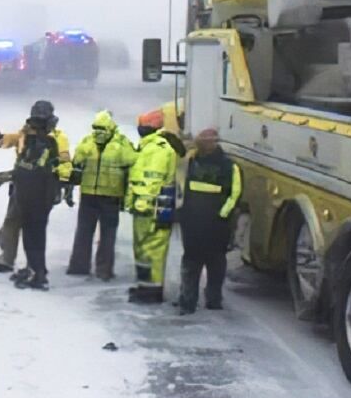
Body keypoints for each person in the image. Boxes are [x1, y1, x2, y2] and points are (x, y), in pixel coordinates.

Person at [0, 100, 73, 290]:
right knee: (12, 222)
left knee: (34, 231)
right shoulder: (26, 132)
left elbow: (63, 163)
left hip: (40, 189)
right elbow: (6, 141)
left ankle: (35, 270)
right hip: (22, 185)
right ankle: (8, 259)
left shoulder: (56, 138)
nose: (35, 123)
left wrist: (63, 185)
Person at [67, 110, 137, 280]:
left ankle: (79, 266)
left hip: (90, 194)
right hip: (110, 196)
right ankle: (104, 269)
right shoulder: (122, 144)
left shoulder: (87, 142)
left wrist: (69, 189)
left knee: (85, 232)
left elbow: (76, 166)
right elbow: (133, 165)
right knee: (107, 235)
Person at [178, 128, 242, 313]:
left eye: (208, 142)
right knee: (193, 261)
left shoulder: (229, 166)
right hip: (194, 222)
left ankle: (212, 299)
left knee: (213, 262)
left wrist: (222, 215)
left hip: (215, 224)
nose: (205, 145)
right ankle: (188, 301)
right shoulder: (191, 161)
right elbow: (182, 187)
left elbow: (235, 194)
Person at [124, 109, 183, 303]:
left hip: (153, 208)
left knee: (154, 251)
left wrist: (142, 202)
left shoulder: (158, 148)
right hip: (143, 208)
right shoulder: (147, 146)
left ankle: (152, 291)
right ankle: (144, 286)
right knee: (142, 250)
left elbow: (152, 180)